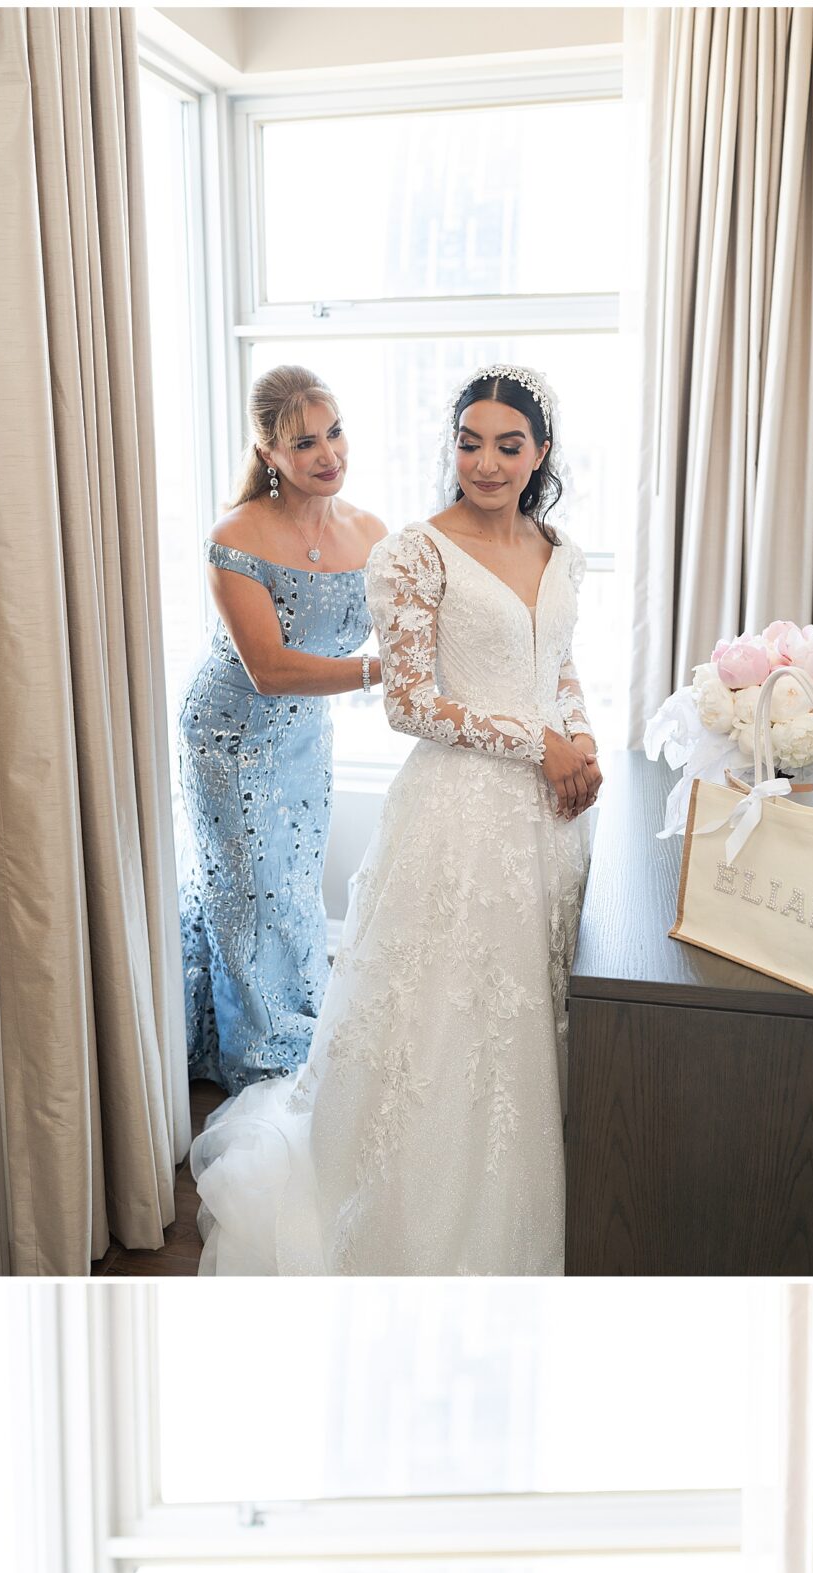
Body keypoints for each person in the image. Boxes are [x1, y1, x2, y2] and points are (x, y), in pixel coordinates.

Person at [190, 363, 601, 1275]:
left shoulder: (557, 547)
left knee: (536, 1007)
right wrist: (540, 743)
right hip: (455, 813)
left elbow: (559, 666)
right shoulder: (415, 549)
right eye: (468, 442)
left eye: (507, 445)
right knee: (444, 1016)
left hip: (550, 818)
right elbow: (410, 702)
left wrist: (581, 740)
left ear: (539, 454)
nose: (485, 464)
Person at [178, 366, 385, 1094]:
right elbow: (267, 668)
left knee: (292, 889)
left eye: (334, 433)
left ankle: (287, 1028)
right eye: (304, 443)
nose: (328, 453)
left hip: (304, 738)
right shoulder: (234, 536)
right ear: (268, 453)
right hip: (229, 737)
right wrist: (376, 672)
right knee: (247, 894)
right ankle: (260, 1059)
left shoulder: (370, 532)